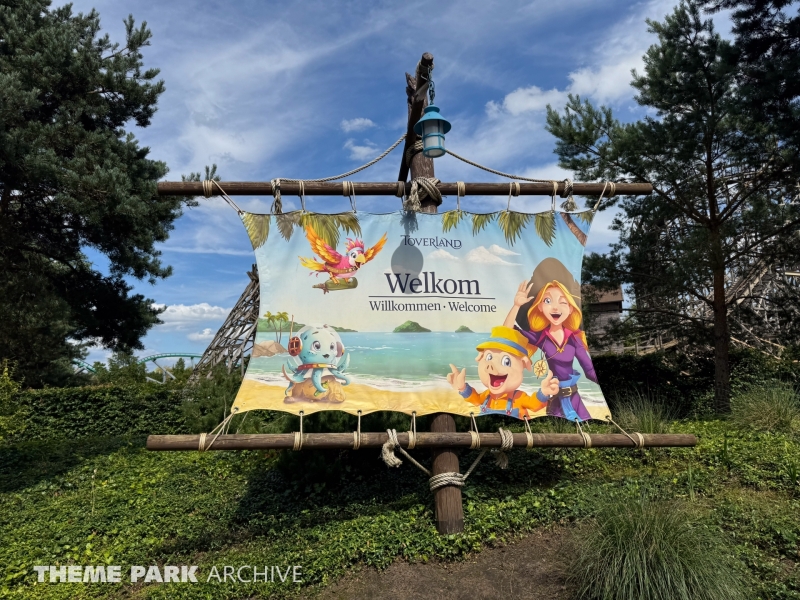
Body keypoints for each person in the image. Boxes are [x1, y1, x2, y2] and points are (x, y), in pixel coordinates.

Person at [503, 259, 598, 422]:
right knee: (556, 436)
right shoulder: (541, 337)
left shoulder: (574, 338)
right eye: (548, 301)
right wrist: (516, 305)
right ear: (540, 307)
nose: (555, 307)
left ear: (570, 309)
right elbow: (506, 332)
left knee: (584, 436)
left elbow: (588, 369)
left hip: (574, 399)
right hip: (554, 399)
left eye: (562, 302)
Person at [446, 325, 548, 420]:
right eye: (489, 357)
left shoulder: (518, 397)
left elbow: (534, 405)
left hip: (515, 437)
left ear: (523, 363)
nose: (491, 365)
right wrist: (463, 388)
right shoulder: (487, 396)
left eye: (506, 361)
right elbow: (476, 400)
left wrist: (543, 393)